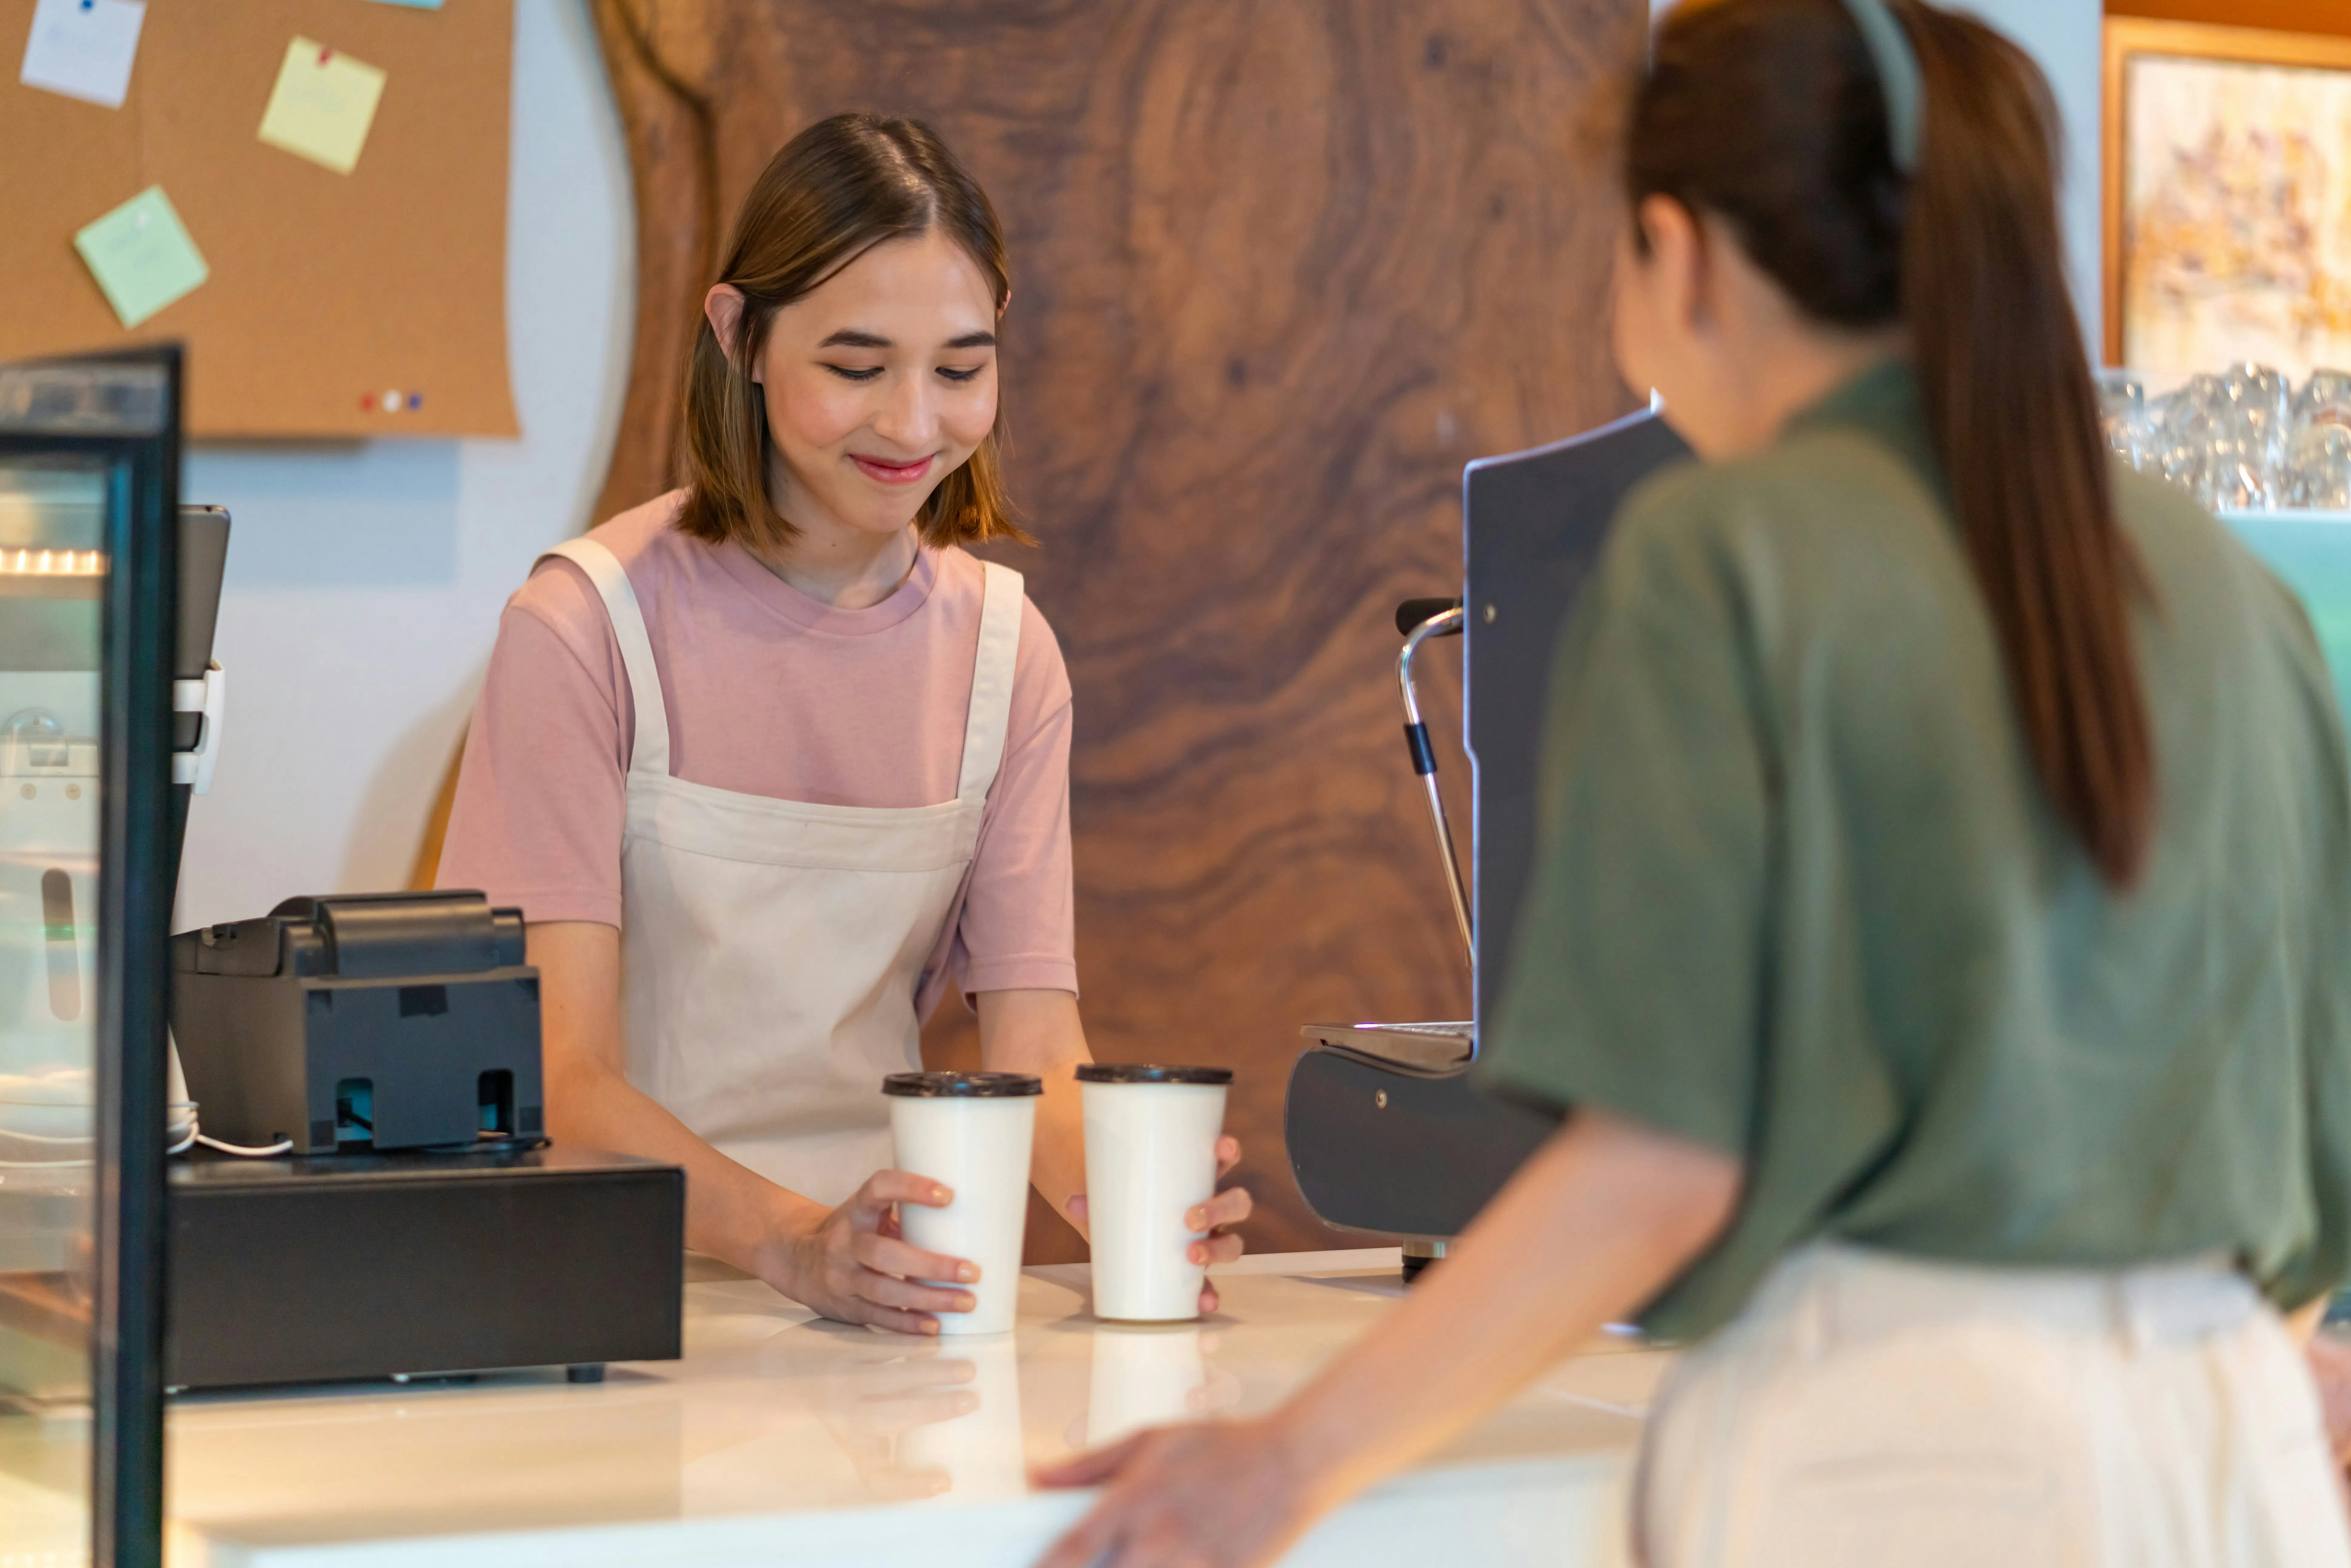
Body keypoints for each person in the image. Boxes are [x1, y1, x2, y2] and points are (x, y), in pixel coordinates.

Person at [1034, 0, 2351, 1561]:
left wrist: (1284, 1461)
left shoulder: (1721, 555)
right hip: (2242, 1460)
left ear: (1680, 250)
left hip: (1906, 1469)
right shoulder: (2227, 588)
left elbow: (1660, 1168)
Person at [437, 114, 1251, 1335]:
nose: (915, 426)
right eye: (857, 368)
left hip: (884, 1298)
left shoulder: (1004, 653)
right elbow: (553, 1080)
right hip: (607, 1299)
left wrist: (1136, 1198)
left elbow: (1032, 1039)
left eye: (961, 370)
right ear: (738, 338)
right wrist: (793, 1243)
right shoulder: (583, 628)